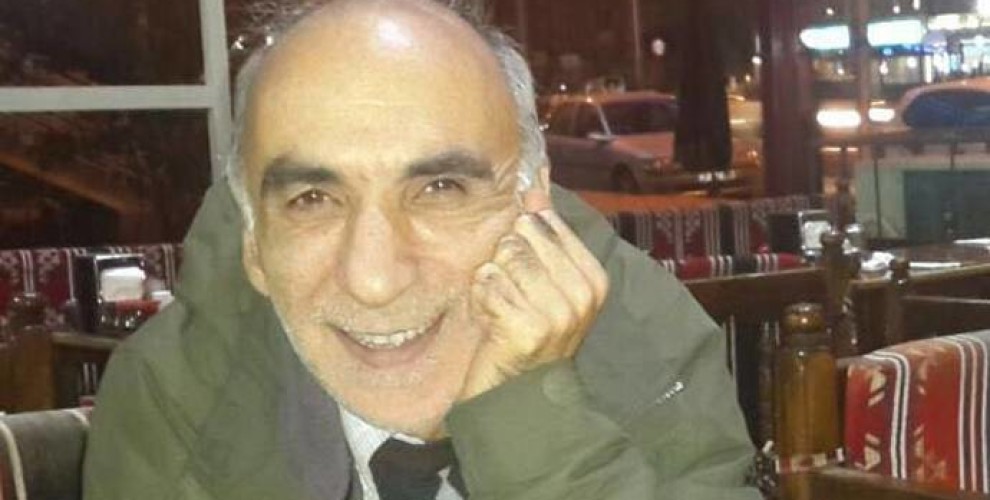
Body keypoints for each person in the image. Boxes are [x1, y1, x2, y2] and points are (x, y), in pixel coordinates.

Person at [83, 0, 761, 498]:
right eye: (312, 200)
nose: (374, 279)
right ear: (255, 245)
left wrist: (533, 419)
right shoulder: (168, 399)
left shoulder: (645, 336)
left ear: (531, 201)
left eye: (440, 189)